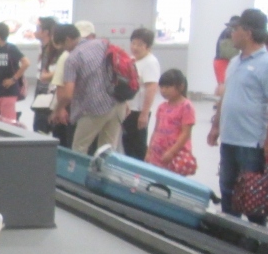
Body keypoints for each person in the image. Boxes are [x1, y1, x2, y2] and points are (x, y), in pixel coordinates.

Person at [207, 9, 268, 224]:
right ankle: (231, 234)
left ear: (248, 32)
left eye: (235, 29)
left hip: (251, 143)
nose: (231, 33)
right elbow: (226, 96)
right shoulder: (234, 62)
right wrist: (216, 126)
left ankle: (257, 237)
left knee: (252, 198)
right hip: (229, 139)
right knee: (228, 192)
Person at [57, 21, 126, 154]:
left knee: (79, 148)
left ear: (68, 40)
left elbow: (67, 95)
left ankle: (79, 169)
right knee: (107, 150)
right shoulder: (103, 44)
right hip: (118, 103)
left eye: (62, 46)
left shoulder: (72, 58)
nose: (64, 50)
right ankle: (103, 168)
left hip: (94, 108)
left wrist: (58, 109)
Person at [146, 69, 196, 175]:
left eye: (168, 87)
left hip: (175, 156)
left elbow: (185, 133)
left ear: (181, 86)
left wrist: (172, 152)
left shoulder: (186, 106)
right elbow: (156, 130)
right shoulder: (161, 107)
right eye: (161, 87)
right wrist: (149, 151)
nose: (163, 90)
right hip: (157, 154)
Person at [122, 27, 161, 159]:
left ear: (148, 47)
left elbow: (151, 88)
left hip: (138, 111)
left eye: (140, 44)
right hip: (128, 109)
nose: (135, 47)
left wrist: (144, 114)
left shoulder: (150, 62)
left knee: (138, 146)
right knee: (127, 144)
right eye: (133, 43)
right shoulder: (132, 59)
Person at [0, 22, 27, 122]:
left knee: (8, 119)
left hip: (10, 89)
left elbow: (26, 63)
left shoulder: (11, 48)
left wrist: (13, 79)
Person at [31, 16, 61, 135]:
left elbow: (62, 70)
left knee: (44, 130)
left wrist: (47, 76)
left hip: (50, 96)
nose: (35, 31)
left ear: (46, 32)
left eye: (38, 28)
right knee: (38, 129)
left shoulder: (55, 49)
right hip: (41, 95)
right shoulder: (42, 48)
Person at [214, 15, 240, 91]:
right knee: (223, 86)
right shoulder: (228, 31)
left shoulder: (226, 32)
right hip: (221, 61)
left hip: (225, 60)